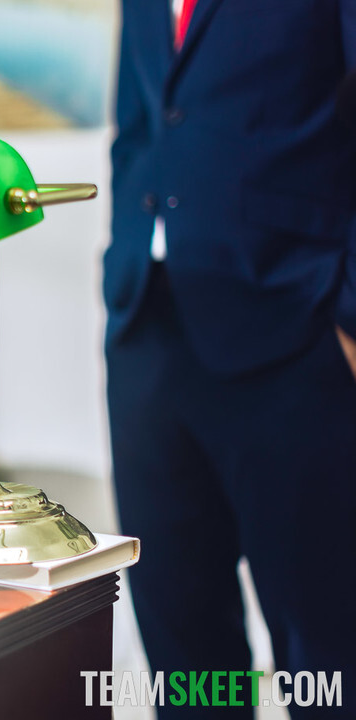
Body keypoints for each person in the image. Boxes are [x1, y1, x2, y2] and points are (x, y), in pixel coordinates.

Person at [107, 1, 356, 715]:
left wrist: (349, 313)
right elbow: (139, 122)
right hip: (146, 328)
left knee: (328, 653)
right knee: (182, 655)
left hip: (297, 329)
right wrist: (119, 260)